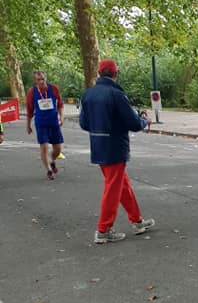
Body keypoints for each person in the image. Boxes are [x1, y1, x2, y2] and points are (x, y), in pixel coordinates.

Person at [79, 59, 155, 244]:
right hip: (115, 146)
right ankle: (103, 230)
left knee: (121, 185)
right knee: (113, 188)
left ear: (99, 73)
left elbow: (84, 123)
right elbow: (133, 123)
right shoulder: (116, 94)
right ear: (115, 74)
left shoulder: (88, 94)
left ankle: (137, 221)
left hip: (98, 144)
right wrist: (145, 121)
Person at [26, 70, 64, 179]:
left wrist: (61, 117)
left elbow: (60, 104)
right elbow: (29, 110)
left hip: (53, 123)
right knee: (44, 147)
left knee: (58, 149)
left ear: (45, 78)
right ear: (35, 81)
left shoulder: (54, 89)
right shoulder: (32, 92)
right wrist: (28, 125)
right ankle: (49, 170)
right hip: (41, 123)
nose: (41, 81)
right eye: (39, 80)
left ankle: (51, 160)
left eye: (43, 79)